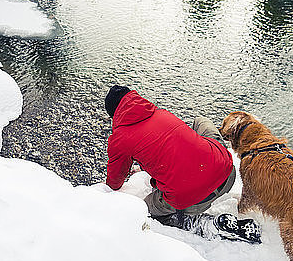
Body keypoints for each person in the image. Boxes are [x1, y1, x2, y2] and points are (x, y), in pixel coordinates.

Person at [104, 85, 260, 243]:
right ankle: (211, 157)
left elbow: (115, 181)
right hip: (226, 173)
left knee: (146, 210)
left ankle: (207, 225)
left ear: (114, 114)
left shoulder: (120, 138)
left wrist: (107, 189)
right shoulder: (160, 113)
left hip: (195, 199)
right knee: (200, 122)